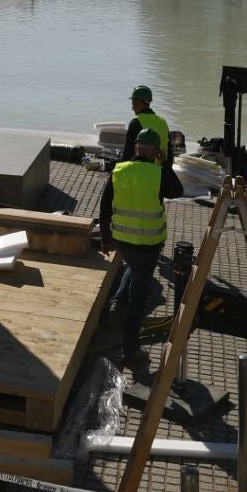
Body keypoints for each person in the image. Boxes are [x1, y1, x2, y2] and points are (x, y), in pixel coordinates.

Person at [100, 128, 167, 364]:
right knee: (139, 297)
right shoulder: (159, 174)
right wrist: (163, 163)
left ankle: (117, 303)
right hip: (148, 245)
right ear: (155, 151)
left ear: (136, 147)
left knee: (133, 268)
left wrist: (105, 238)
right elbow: (177, 190)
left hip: (122, 240)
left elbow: (105, 205)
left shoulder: (119, 170)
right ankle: (130, 350)